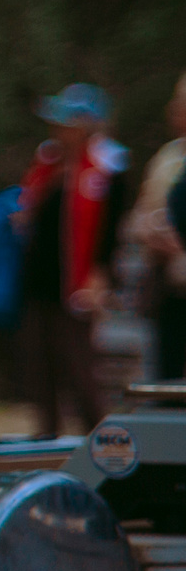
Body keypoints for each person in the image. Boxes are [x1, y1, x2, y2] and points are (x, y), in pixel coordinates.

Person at [16, 83, 130, 434]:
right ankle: (46, 438)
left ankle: (101, 441)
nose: (57, 128)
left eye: (65, 122)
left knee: (80, 367)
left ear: (85, 125)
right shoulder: (49, 161)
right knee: (41, 365)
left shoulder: (107, 166)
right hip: (42, 279)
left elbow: (111, 229)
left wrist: (100, 275)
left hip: (79, 282)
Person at [127, 70, 186, 381]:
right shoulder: (168, 158)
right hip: (169, 284)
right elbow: (140, 214)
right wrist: (151, 233)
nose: (174, 111)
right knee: (167, 370)